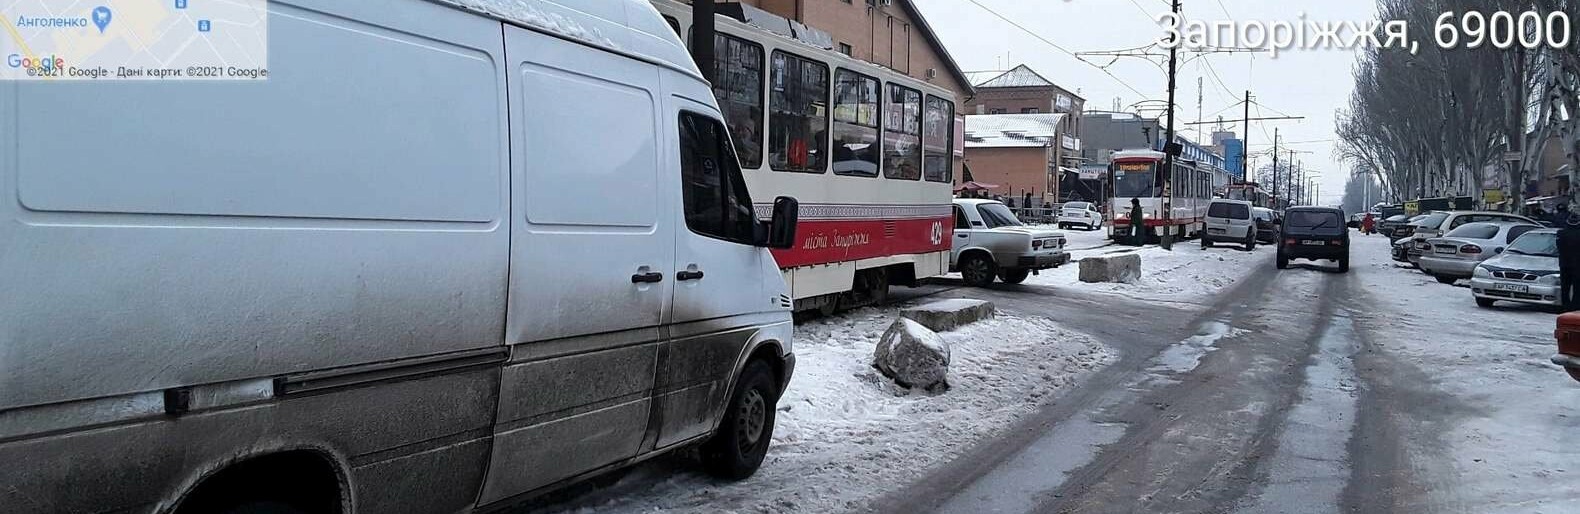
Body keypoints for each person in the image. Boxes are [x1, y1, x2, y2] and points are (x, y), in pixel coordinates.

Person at [1561, 206, 1580, 310]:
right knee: (1577, 288)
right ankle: (1575, 306)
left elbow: (1559, 248)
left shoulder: (1561, 233)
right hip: (1577, 265)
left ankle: (1565, 307)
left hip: (1564, 264)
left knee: (1565, 288)